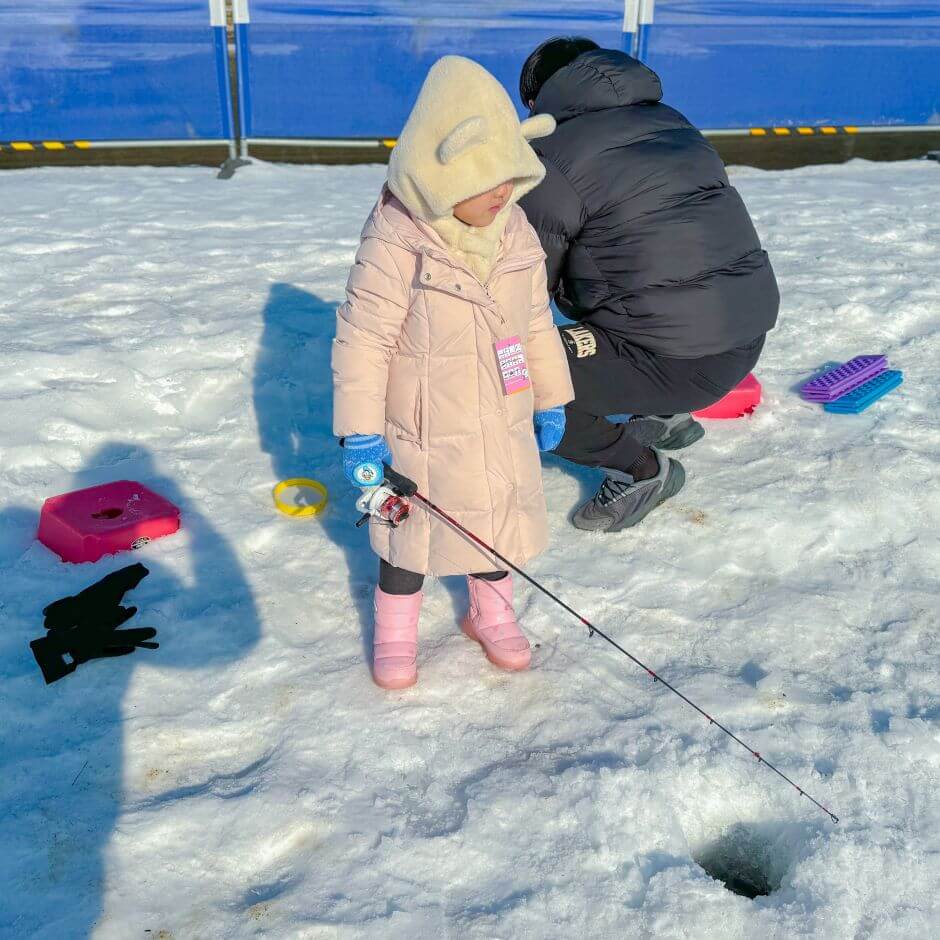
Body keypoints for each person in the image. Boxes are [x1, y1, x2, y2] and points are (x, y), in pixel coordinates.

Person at [332, 56, 574, 690]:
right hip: (421, 425)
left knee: (494, 523)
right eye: (488, 181)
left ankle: (490, 616)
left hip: (500, 412)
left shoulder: (514, 228)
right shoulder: (397, 236)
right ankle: (395, 635)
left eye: (510, 180)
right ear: (442, 175)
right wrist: (360, 431)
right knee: (408, 543)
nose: (503, 195)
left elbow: (535, 323)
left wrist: (550, 397)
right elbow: (363, 340)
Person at [517, 38, 780, 533]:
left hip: (678, 360)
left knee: (505, 374)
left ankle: (641, 469)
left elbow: (525, 285)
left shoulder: (554, 157)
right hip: (744, 341)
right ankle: (667, 414)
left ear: (538, 99)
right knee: (643, 293)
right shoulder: (675, 124)